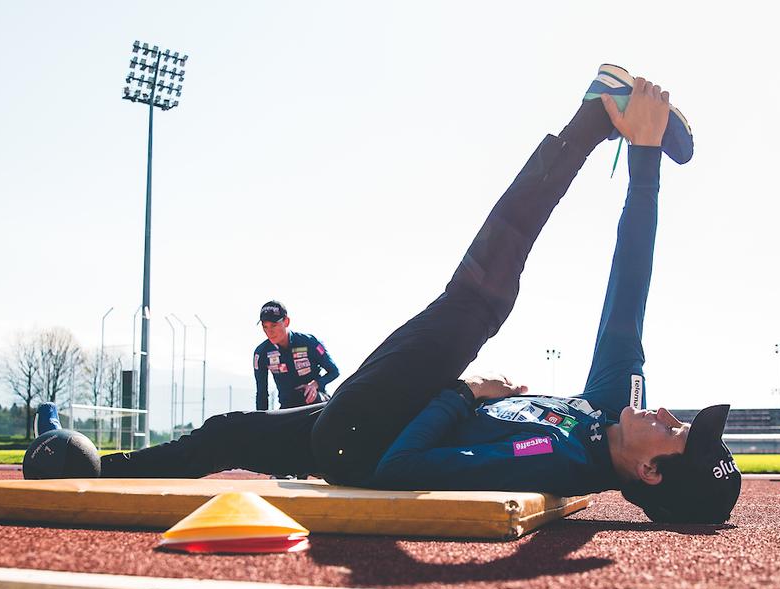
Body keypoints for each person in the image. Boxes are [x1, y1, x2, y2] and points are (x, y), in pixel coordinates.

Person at [93, 65, 740, 524]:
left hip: (365, 440)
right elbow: (630, 289)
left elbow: (403, 469)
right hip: (360, 421)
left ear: (650, 473)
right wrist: (646, 164)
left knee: (479, 306)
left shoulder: (551, 460)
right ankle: (99, 471)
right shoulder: (612, 408)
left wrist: (465, 393)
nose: (667, 415)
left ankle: (594, 118)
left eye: (676, 433)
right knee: (229, 433)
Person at [253, 301, 340, 410]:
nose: (269, 331)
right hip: (288, 407)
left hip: (317, 402)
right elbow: (262, 393)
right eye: (265, 326)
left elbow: (334, 371)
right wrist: (261, 422)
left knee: (308, 396)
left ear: (286, 321)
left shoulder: (309, 342)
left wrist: (314, 384)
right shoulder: (261, 353)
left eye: (273, 325)